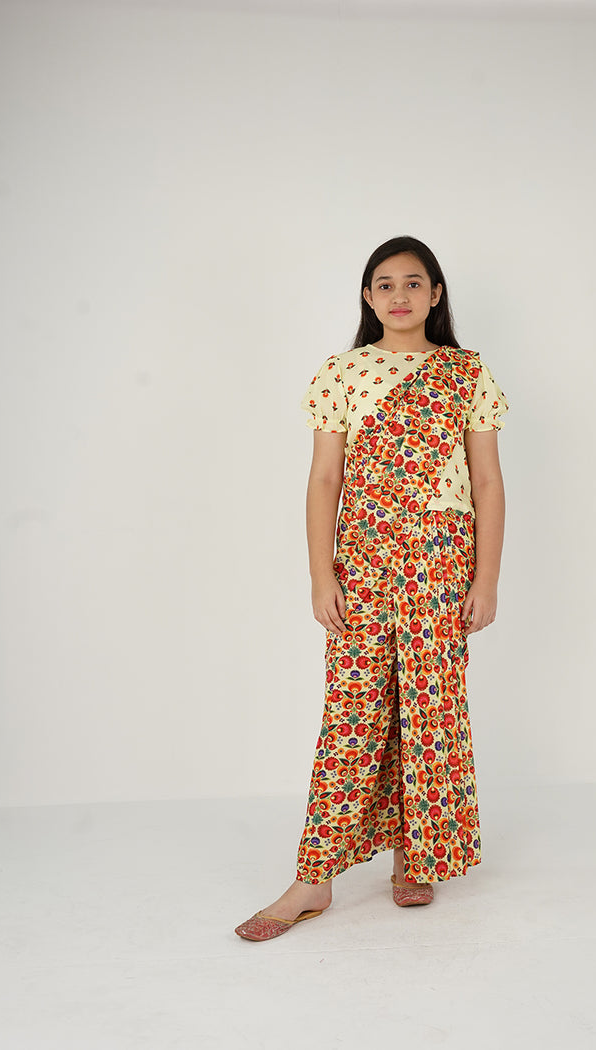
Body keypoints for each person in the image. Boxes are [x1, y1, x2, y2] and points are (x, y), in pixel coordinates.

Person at [235, 235, 508, 941]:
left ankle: (417, 854)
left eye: (413, 282)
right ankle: (314, 878)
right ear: (367, 297)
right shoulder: (342, 373)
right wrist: (320, 573)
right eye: (384, 284)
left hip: (441, 559)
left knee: (429, 708)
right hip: (363, 558)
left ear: (436, 294)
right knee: (353, 712)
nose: (399, 295)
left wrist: (486, 579)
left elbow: (486, 481)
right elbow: (325, 478)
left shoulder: (465, 373)